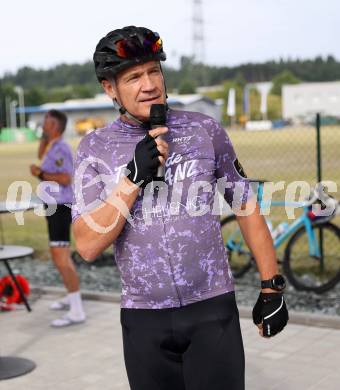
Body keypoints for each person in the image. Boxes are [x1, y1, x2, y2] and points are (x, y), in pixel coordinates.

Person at [72, 26, 288, 390]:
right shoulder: (94, 148)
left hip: (211, 308)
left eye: (154, 70)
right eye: (133, 77)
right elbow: (87, 246)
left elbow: (246, 206)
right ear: (110, 88)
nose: (149, 84)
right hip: (143, 317)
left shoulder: (205, 130)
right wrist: (131, 181)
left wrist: (271, 287)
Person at [30, 109, 85, 327]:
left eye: (46, 122)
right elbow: (39, 154)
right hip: (54, 206)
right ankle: (70, 297)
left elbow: (65, 177)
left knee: (60, 257)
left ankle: (77, 310)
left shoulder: (61, 147)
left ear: (54, 126)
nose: (42, 125)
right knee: (61, 256)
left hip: (60, 207)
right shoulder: (51, 144)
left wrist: (40, 174)